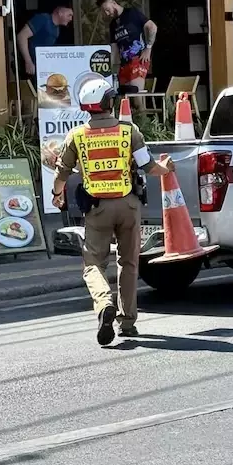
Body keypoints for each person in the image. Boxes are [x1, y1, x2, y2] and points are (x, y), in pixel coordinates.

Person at [51, 76, 174, 346]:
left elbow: (62, 173)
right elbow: (149, 167)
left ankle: (104, 302)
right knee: (128, 263)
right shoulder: (129, 132)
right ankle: (127, 322)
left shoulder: (76, 136)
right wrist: (166, 168)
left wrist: (57, 194)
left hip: (97, 209)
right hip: (128, 205)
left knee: (93, 264)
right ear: (109, 102)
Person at [96, 0, 157, 93]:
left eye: (107, 9)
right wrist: (109, 70)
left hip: (138, 59)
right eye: (104, 12)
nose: (107, 13)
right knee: (125, 96)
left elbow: (152, 27)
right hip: (124, 64)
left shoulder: (132, 13)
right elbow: (114, 50)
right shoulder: (113, 25)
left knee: (134, 94)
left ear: (113, 2)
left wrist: (148, 48)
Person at [17, 6, 74, 78]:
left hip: (39, 70)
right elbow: (21, 36)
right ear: (60, 13)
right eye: (69, 15)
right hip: (27, 68)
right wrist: (28, 62)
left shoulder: (57, 30)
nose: (71, 19)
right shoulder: (43, 19)